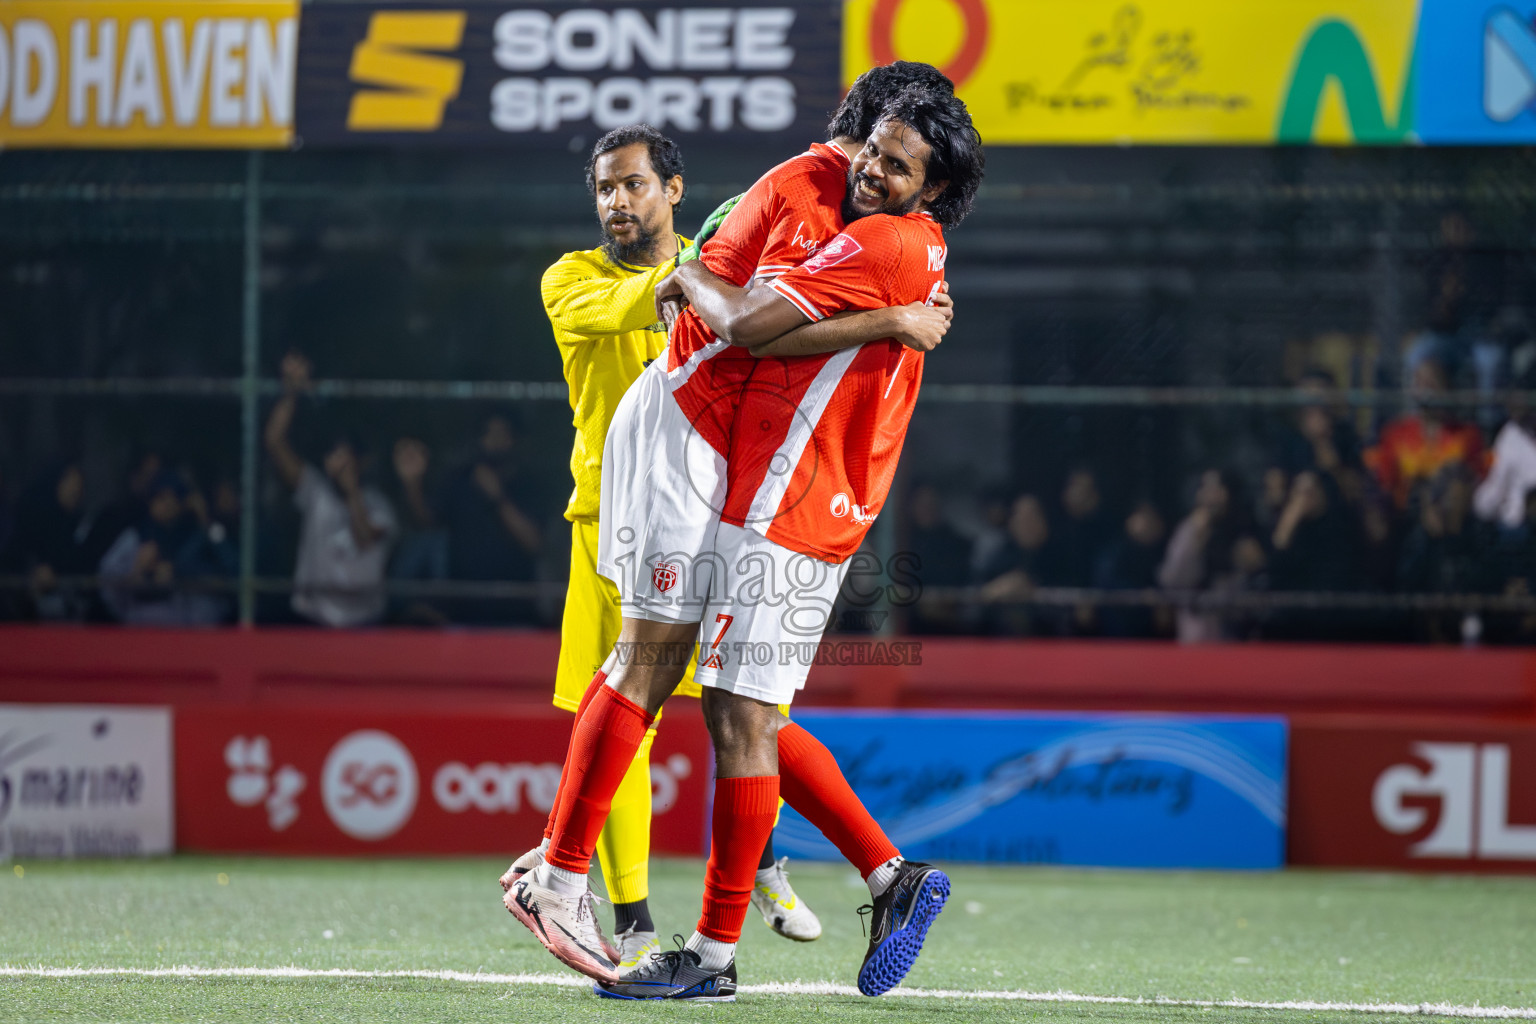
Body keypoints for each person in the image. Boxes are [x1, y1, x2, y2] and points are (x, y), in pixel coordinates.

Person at [508, 80, 982, 1003]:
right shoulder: (822, 191)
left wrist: (692, 277)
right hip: (734, 465)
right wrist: (890, 320)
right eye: (871, 150)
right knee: (721, 700)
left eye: (898, 165)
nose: (873, 170)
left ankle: (597, 894)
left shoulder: (883, 236)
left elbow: (748, 324)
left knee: (713, 698)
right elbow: (749, 318)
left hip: (774, 488)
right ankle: (628, 902)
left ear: (930, 190)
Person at [264, 351, 397, 627]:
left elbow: (364, 539)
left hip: (364, 624)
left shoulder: (380, 505)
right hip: (314, 619)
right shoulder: (316, 491)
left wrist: (352, 493)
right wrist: (291, 394)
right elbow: (275, 442)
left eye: (343, 456)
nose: (335, 464)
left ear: (359, 462)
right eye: (330, 457)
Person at [440, 413, 542, 625]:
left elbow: (534, 543)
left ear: (515, 439)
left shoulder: (529, 485)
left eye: (502, 434)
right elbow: (427, 523)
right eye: (489, 434)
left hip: (516, 610)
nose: (495, 441)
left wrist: (497, 497)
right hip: (464, 608)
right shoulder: (461, 481)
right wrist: (412, 484)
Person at [98, 470, 231, 625]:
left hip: (187, 632)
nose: (167, 505)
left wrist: (205, 519)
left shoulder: (201, 534)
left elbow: (230, 567)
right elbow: (106, 581)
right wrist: (136, 572)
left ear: (183, 503)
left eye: (173, 498)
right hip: (140, 628)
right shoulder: (135, 537)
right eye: (160, 498)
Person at [1366, 358, 1487, 510]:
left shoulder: (1467, 435)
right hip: (1407, 513)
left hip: (1452, 514)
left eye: (1431, 383)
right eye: (1419, 382)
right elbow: (1386, 482)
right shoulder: (1395, 433)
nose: (1426, 391)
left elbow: (1477, 481)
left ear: (1446, 389)